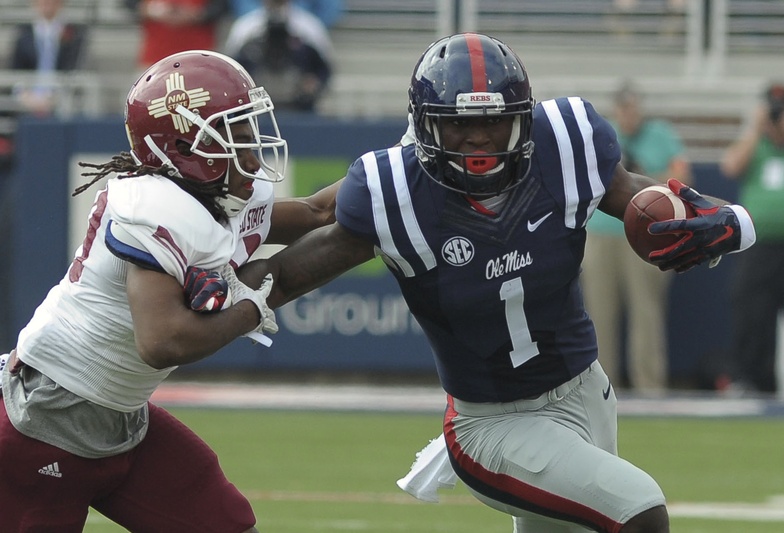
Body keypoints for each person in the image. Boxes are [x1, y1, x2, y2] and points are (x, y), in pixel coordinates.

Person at [239, 33, 755, 532]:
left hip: (587, 392)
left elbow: (637, 194)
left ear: (523, 121)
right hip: (491, 426)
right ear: (425, 128)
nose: (479, 138)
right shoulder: (398, 194)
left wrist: (728, 222)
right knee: (639, 511)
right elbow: (284, 271)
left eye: (493, 121)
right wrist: (200, 293)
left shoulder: (565, 145)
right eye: (460, 126)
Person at [0, 49, 340, 531]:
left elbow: (318, 213)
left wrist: (403, 171)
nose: (253, 151)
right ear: (182, 149)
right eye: (236, 138)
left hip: (122, 416)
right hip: (48, 418)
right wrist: (255, 302)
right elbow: (163, 341)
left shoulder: (218, 199)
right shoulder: (154, 206)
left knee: (223, 521)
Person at [582, 81, 691, 393]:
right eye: (623, 107)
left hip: (647, 236)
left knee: (647, 312)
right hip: (602, 232)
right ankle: (599, 390)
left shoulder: (661, 135)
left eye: (632, 107)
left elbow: (684, 179)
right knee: (599, 314)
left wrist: (645, 175)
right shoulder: (604, 134)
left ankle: (649, 386)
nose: (628, 114)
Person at [719, 82, 784, 395]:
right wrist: (756, 129)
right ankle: (751, 380)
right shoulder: (758, 146)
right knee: (753, 311)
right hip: (761, 248)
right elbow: (730, 165)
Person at [224, 0, 333, 112]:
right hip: (254, 109)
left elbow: (324, 68)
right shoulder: (245, 27)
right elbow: (230, 68)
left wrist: (314, 82)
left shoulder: (309, 26)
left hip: (300, 109)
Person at [124, 0, 231, 68]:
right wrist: (150, 9)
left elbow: (221, 7)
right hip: (156, 56)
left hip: (199, 56)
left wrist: (196, 15)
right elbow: (130, 4)